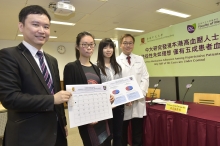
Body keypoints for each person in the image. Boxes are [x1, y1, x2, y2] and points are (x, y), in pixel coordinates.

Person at [0, 5, 71, 146]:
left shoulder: (52, 60)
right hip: (28, 135)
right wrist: (51, 100)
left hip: (56, 132)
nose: (42, 31)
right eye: (35, 25)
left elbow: (57, 93)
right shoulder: (9, 55)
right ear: (21, 26)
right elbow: (10, 98)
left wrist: (63, 123)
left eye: (46, 26)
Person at [63, 32, 114, 146]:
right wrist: (87, 118)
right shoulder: (71, 67)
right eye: (85, 44)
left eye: (91, 44)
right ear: (77, 46)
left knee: (106, 142)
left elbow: (99, 91)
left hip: (101, 116)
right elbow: (69, 97)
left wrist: (107, 97)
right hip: (86, 119)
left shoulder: (96, 68)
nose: (89, 47)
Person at [117, 34, 149, 146]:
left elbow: (145, 77)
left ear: (133, 45)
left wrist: (138, 94)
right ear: (121, 45)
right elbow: (116, 82)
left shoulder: (140, 59)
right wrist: (125, 97)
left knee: (137, 133)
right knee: (122, 133)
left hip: (137, 101)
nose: (128, 45)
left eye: (130, 43)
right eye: (125, 43)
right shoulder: (116, 61)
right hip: (123, 102)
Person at [97, 38, 124, 146]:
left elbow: (121, 85)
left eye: (111, 47)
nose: (108, 50)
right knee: (106, 135)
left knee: (118, 135)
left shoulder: (117, 66)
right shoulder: (96, 67)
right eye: (105, 47)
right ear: (100, 50)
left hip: (119, 105)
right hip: (105, 106)